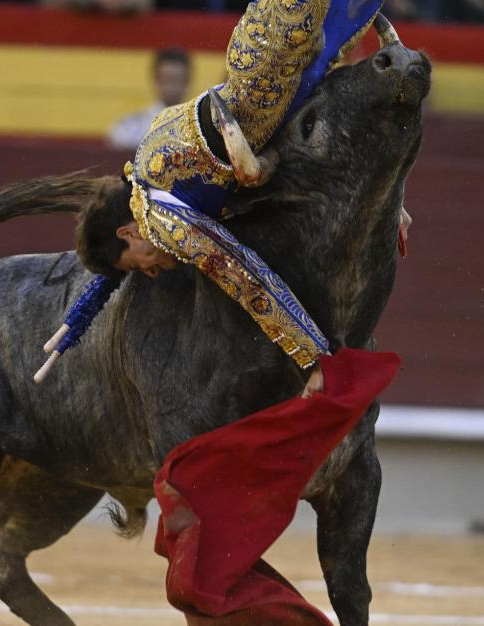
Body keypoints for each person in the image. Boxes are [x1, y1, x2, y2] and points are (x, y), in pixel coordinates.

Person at [38, 4, 413, 398]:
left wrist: (315, 357)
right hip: (267, 69)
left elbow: (245, 276)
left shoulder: (162, 220)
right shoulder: (146, 160)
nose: (153, 273)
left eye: (138, 265)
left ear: (128, 232)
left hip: (270, 75)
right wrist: (390, 205)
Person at [106, 49, 192, 150]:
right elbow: (116, 137)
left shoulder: (196, 124)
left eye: (177, 80)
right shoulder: (130, 127)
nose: (172, 87)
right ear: (156, 80)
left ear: (187, 81)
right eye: (167, 80)